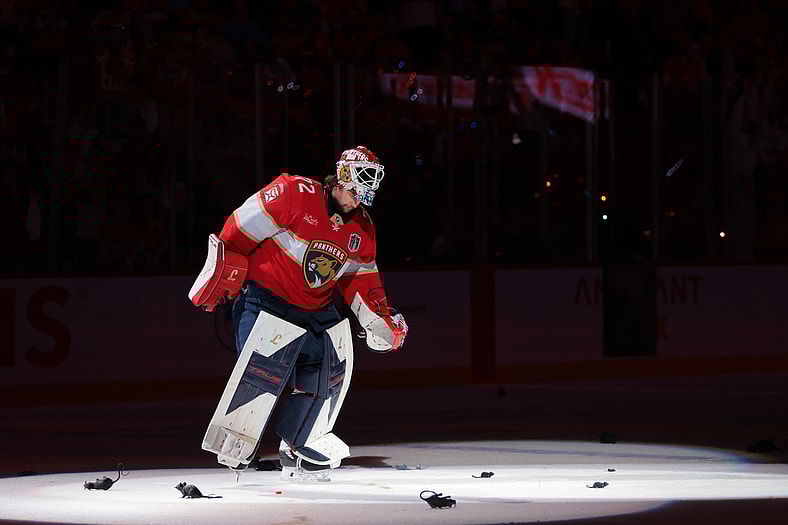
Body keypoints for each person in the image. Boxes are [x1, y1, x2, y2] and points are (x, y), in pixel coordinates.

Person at [189, 145, 408, 481]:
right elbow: (240, 228)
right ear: (341, 176)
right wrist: (220, 273)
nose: (362, 195)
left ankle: (299, 442)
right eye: (359, 183)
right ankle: (237, 439)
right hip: (265, 301)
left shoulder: (363, 229)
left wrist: (378, 318)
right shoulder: (294, 192)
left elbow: (361, 280)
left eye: (369, 186)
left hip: (315, 311)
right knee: (264, 371)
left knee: (327, 373)